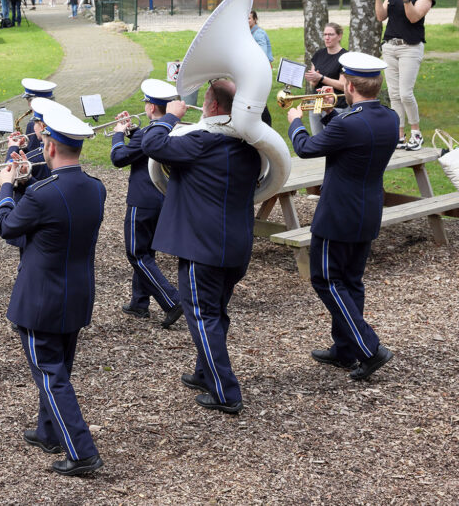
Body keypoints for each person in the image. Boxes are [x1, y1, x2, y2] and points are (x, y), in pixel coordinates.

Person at [0, 109, 105, 477]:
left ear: (52, 146)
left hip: (42, 297)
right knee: (58, 367)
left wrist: (6, 187)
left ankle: (81, 450)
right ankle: (49, 431)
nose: (42, 146)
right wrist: (27, 181)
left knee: (50, 373)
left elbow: (8, 227)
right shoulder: (95, 187)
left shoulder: (43, 194)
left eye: (43, 142)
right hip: (77, 292)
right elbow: (56, 223)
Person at [140, 80, 261, 415]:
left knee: (203, 315)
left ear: (215, 108)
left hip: (201, 249)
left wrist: (169, 117)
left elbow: (151, 143)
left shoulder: (201, 143)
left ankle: (225, 392)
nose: (202, 106)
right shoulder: (252, 147)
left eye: (206, 100)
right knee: (216, 311)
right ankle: (203, 371)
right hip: (235, 245)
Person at [287, 52, 397, 381]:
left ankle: (369, 347)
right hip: (367, 211)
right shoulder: (389, 118)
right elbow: (352, 134)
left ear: (347, 84)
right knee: (351, 281)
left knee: (326, 280)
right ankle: (345, 349)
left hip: (337, 214)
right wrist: (332, 111)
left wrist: (295, 119)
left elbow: (305, 147)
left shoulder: (351, 124)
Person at [110, 79, 184, 328]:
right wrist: (132, 132)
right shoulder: (172, 128)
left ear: (152, 108)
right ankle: (139, 302)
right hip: (164, 199)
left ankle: (171, 300)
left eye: (146, 103)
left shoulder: (147, 134)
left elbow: (118, 158)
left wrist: (119, 134)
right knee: (146, 252)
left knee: (137, 254)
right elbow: (143, 148)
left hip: (143, 201)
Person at [376, 0, 435, 150]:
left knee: (405, 94)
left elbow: (414, 17)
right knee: (393, 94)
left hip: (410, 47)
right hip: (390, 45)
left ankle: (416, 134)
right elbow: (380, 16)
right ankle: (399, 135)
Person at [303, 23, 348, 134]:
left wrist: (321, 78)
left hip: (335, 105)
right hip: (316, 103)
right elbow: (313, 84)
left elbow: (343, 85)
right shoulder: (319, 54)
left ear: (340, 36)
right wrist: (313, 79)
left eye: (331, 34)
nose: (327, 38)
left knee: (332, 140)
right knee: (317, 139)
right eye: (325, 35)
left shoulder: (345, 57)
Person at [247, 10, 274, 127]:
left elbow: (261, 55)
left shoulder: (258, 34)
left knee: (258, 99)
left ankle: (266, 124)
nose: (246, 21)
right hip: (254, 71)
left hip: (261, 72)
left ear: (255, 20)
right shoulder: (247, 33)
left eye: (249, 18)